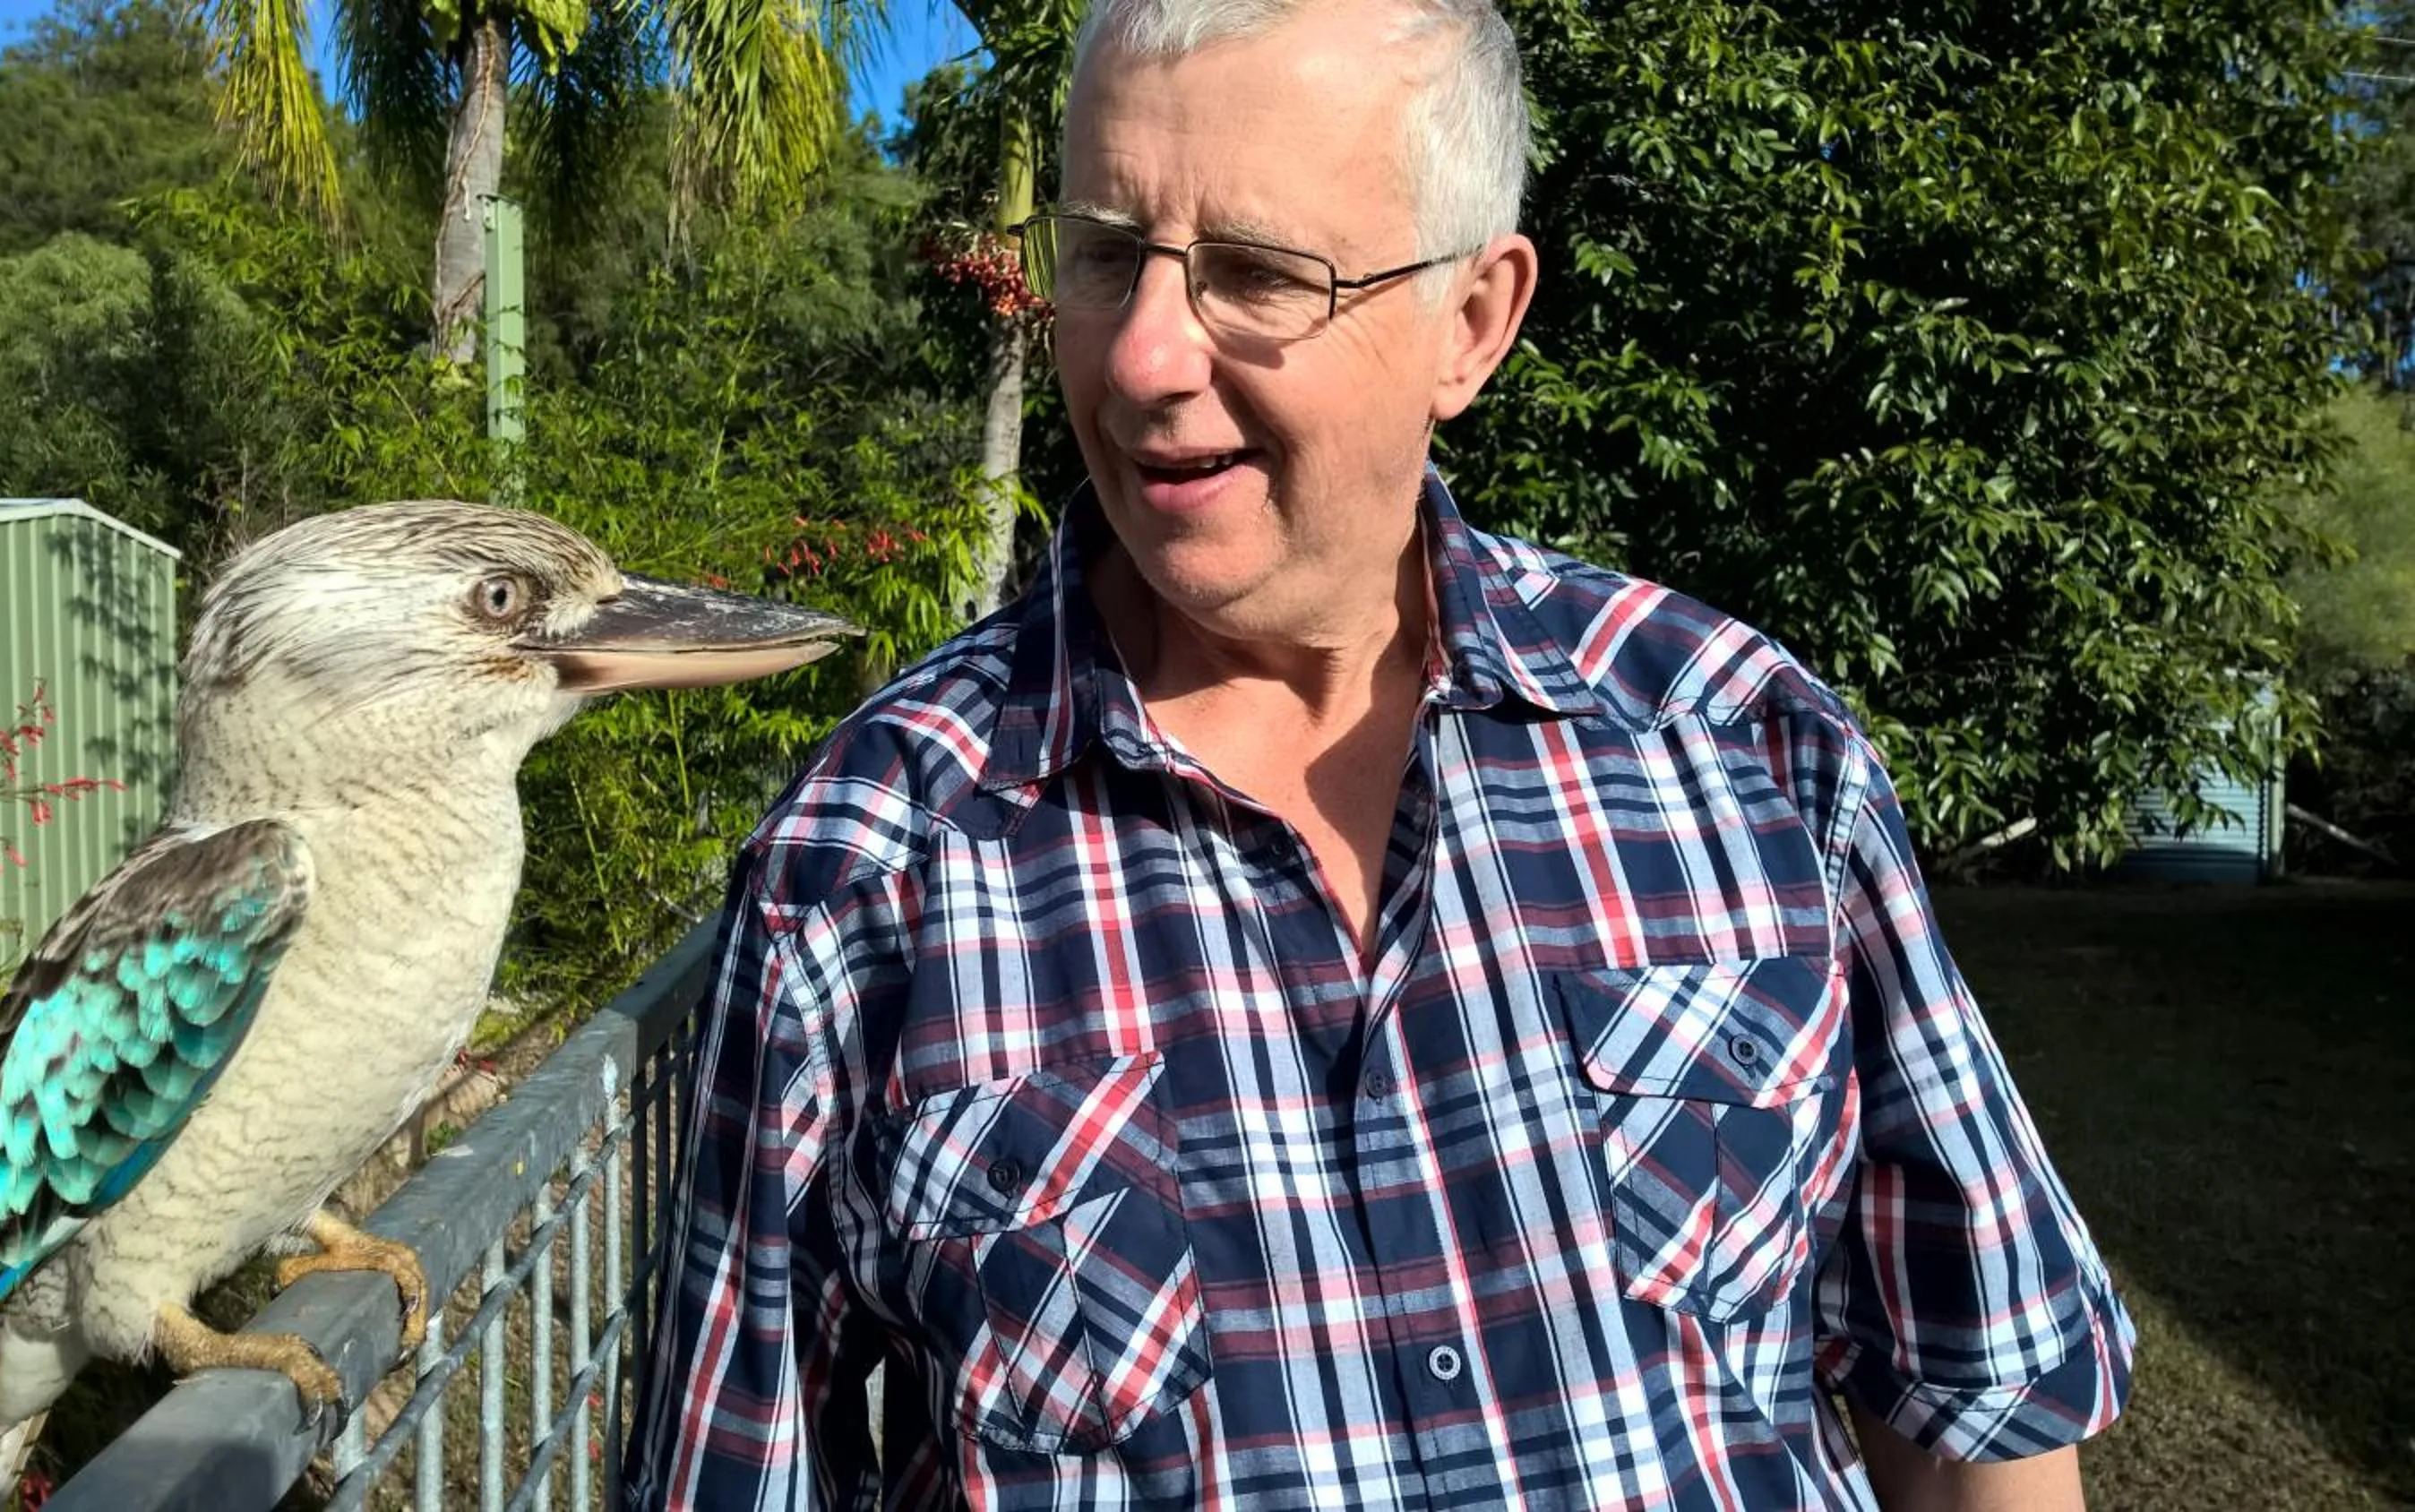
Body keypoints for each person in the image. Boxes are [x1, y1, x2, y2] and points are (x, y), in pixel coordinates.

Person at [613, 0, 2136, 1502]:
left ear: (1470, 322)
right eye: (1102, 254)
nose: (1143, 356)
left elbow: (1978, 1408)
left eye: (1257, 274)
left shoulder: (1741, 746)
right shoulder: (872, 855)